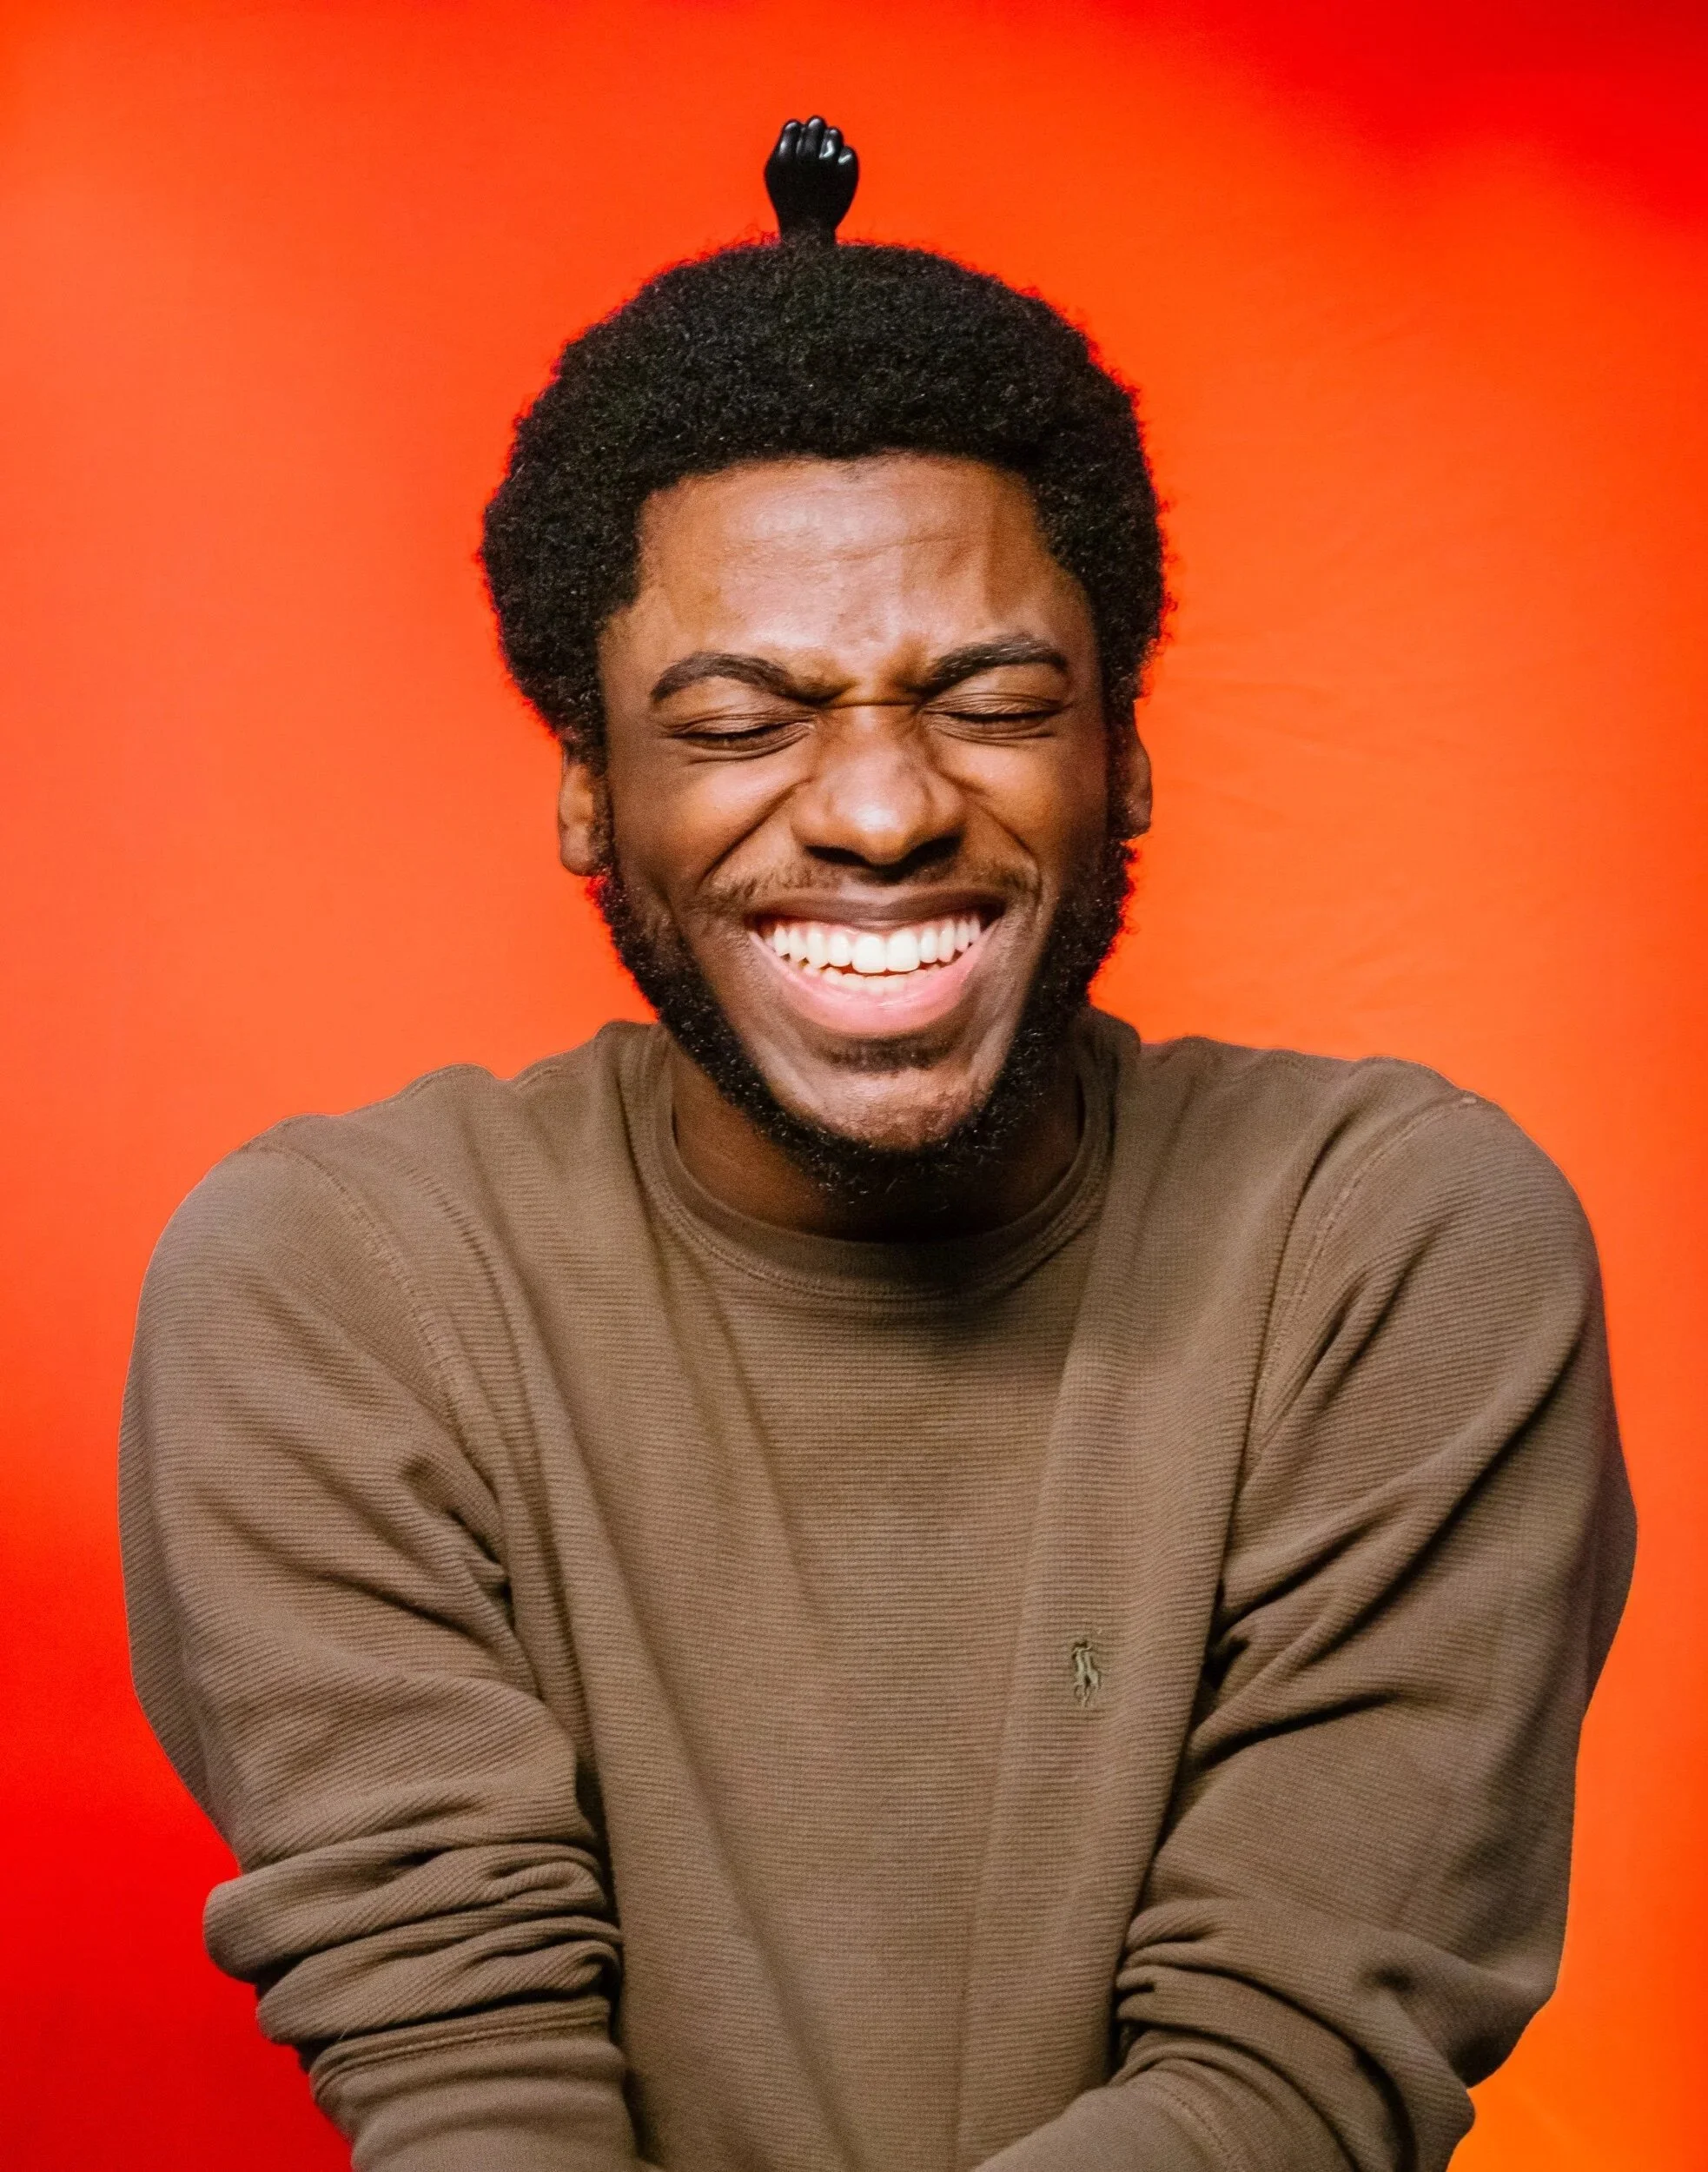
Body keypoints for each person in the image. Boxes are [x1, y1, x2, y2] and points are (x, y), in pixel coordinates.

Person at [120, 118, 1635, 2172]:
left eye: (990, 700)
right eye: (738, 721)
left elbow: (1278, 2080)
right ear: (586, 788)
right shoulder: (334, 1285)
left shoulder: (1385, 1246)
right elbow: (473, 2081)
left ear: (1122, 750)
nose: (878, 809)